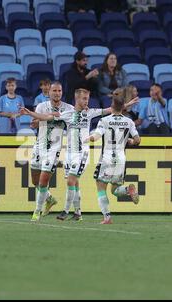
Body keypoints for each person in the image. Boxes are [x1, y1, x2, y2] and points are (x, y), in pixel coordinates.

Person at [22, 88, 112, 221]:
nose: (86, 101)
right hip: (69, 152)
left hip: (82, 152)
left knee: (70, 181)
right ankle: (78, 213)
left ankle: (64, 211)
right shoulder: (68, 113)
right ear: (77, 99)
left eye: (87, 99)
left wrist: (124, 105)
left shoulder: (90, 112)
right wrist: (31, 114)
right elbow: (47, 117)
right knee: (74, 183)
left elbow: (109, 110)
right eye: (84, 99)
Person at [85, 88, 141, 225]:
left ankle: (107, 217)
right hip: (121, 158)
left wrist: (88, 138)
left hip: (107, 157)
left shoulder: (104, 121)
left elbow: (96, 136)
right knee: (115, 190)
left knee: (100, 186)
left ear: (111, 106)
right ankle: (128, 190)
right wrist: (131, 141)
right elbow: (138, 140)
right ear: (123, 107)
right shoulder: (129, 121)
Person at [25, 81, 74, 222]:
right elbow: (34, 122)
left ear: (62, 92)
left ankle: (37, 212)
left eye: (59, 91)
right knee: (35, 181)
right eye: (54, 91)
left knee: (43, 181)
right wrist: (34, 123)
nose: (57, 93)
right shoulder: (41, 106)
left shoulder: (68, 108)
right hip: (39, 146)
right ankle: (49, 199)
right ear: (49, 92)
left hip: (54, 149)